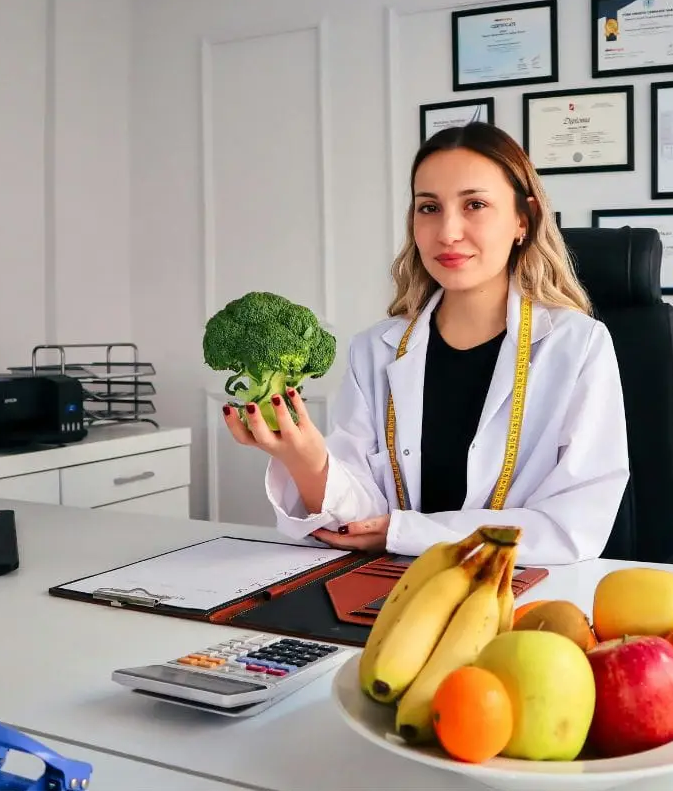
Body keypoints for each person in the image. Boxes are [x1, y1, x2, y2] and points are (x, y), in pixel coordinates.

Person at [222, 122, 630, 566]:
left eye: (474, 204)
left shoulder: (578, 347)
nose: (448, 232)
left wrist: (406, 532)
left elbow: (570, 527)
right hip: (391, 588)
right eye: (429, 208)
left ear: (522, 219)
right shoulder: (374, 350)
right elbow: (360, 523)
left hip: (525, 591)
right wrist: (306, 461)